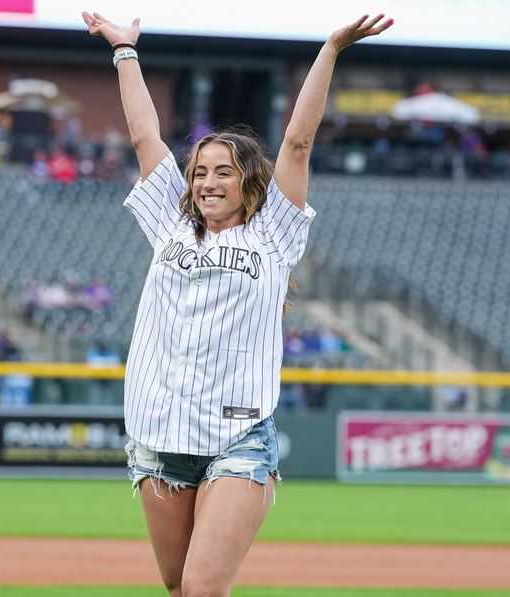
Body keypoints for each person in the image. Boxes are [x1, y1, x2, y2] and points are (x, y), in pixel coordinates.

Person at [83, 10, 393, 597]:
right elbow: (146, 137)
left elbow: (298, 142)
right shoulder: (171, 225)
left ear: (249, 180)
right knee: (181, 591)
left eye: (222, 171)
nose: (206, 182)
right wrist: (125, 51)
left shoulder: (273, 233)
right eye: (199, 172)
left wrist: (330, 47)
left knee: (202, 589)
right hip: (158, 438)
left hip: (237, 439)